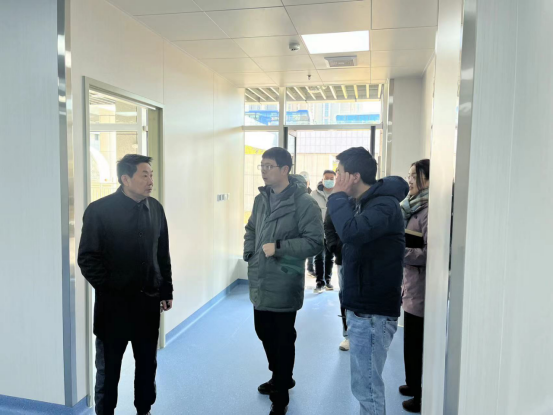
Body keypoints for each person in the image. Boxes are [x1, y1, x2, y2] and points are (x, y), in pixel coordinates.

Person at [78, 154, 173, 415]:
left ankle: (144, 409)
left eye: (151, 175)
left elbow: (162, 254)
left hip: (148, 305)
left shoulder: (155, 208)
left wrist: (166, 290)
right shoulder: (99, 210)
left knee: (147, 365)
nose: (151, 181)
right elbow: (87, 259)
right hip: (113, 309)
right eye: (145, 175)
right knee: (108, 370)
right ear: (125, 179)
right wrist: (112, 288)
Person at [328, 147, 409, 415]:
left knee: (367, 388)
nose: (335, 179)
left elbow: (352, 233)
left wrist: (336, 197)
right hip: (363, 306)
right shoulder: (366, 203)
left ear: (354, 176)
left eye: (339, 173)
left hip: (372, 311)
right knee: (364, 385)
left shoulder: (383, 206)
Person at [244, 148, 324, 415]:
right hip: (260, 278)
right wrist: (249, 253)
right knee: (263, 332)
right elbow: (251, 228)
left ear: (285, 169)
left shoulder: (304, 203)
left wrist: (278, 247)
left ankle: (280, 394)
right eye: (262, 166)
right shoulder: (261, 199)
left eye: (269, 166)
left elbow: (315, 242)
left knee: (282, 339)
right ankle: (281, 376)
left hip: (285, 281)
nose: (264, 171)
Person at [399, 160, 430, 414]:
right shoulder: (412, 207)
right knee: (410, 342)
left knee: (417, 344)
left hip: (422, 288)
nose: (409, 180)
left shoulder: (430, 211)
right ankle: (412, 383)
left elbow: (433, 253)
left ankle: (421, 395)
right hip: (410, 284)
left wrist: (401, 252)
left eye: (414, 175)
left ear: (428, 179)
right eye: (408, 175)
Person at [324, 208, 348, 351]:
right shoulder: (338, 199)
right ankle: (348, 335)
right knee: (345, 296)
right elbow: (328, 223)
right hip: (343, 256)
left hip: (370, 258)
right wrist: (334, 246)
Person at [312, 170, 338, 293]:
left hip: (332, 231)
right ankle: (319, 282)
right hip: (318, 230)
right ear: (322, 179)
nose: (329, 180)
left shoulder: (339, 194)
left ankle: (328, 280)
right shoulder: (314, 194)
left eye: (331, 178)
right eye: (326, 178)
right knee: (318, 257)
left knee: (329, 257)